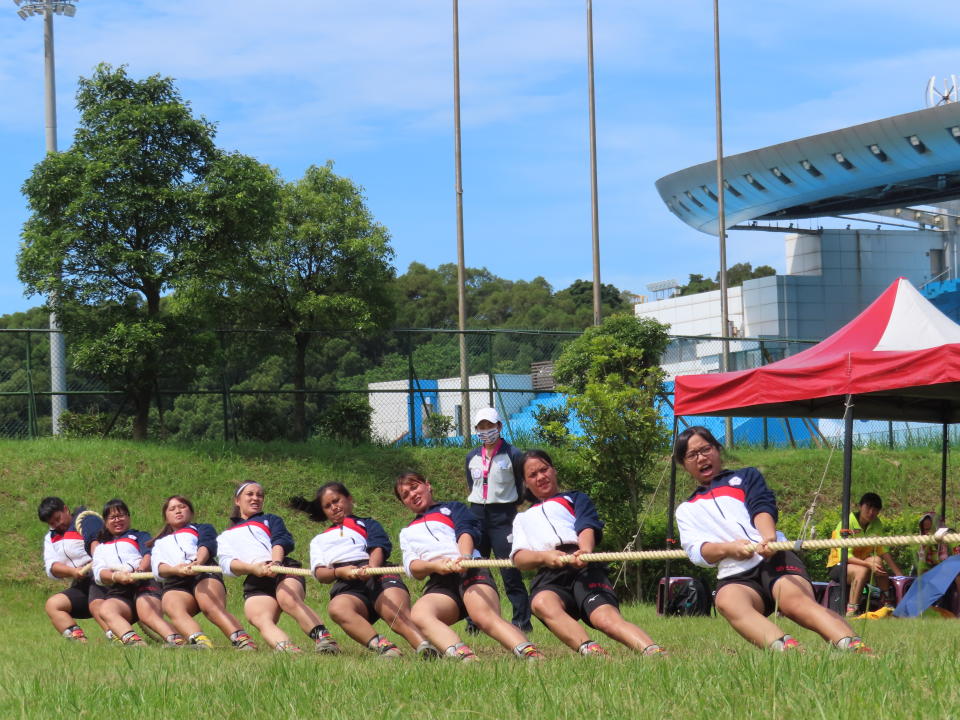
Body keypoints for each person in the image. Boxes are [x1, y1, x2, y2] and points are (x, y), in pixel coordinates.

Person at [674, 426, 872, 653]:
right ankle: (791, 652)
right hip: (734, 573)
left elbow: (762, 506)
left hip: (773, 556)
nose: (701, 458)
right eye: (692, 455)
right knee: (726, 600)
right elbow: (697, 550)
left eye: (705, 449)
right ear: (684, 464)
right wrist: (729, 549)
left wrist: (768, 538)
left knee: (792, 601)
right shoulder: (686, 510)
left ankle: (855, 647)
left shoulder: (746, 476)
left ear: (717, 450)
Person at [510, 450, 665, 657]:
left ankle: (655, 653)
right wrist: (545, 557)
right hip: (549, 574)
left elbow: (586, 526)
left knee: (605, 619)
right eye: (533, 475)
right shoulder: (522, 518)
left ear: (554, 470)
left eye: (544, 469)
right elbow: (520, 557)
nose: (541, 477)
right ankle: (594, 653)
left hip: (585, 567)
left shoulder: (575, 498)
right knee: (540, 602)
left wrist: (585, 550)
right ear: (525, 483)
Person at [395, 471, 543, 662]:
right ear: (404, 503)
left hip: (470, 568)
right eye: (405, 495)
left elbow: (467, 531)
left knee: (482, 616)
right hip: (440, 582)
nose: (412, 495)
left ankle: (532, 654)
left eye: (414, 487)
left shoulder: (453, 508)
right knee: (420, 614)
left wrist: (463, 558)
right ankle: (465, 657)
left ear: (427, 485)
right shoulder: (406, 532)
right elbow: (412, 566)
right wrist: (435, 566)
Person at [297, 482, 437, 658]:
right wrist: (338, 573)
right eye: (327, 506)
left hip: (378, 574)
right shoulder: (319, 540)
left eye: (336, 500)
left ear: (349, 499)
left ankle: (425, 647)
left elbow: (379, 545)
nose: (334, 507)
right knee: (337, 608)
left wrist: (371, 568)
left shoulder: (367, 523)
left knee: (393, 611)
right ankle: (385, 648)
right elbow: (319, 573)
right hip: (347, 584)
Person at [216, 481, 339, 654]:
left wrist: (276, 563)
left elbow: (281, 540)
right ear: (237, 500)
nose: (255, 498)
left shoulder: (270, 519)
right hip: (255, 577)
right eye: (250, 494)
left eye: (260, 495)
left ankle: (325, 641)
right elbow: (227, 563)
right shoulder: (225, 537)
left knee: (287, 598)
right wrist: (253, 569)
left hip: (283, 568)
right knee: (257, 616)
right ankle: (288, 650)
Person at [149, 495, 256, 650]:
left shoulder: (203, 528)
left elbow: (207, 544)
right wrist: (175, 569)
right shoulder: (159, 543)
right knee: (171, 606)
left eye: (182, 507)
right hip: (176, 579)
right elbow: (158, 567)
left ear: (191, 513)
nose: (178, 511)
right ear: (166, 517)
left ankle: (243, 641)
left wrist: (198, 562)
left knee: (209, 604)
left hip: (203, 571)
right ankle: (201, 643)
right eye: (172, 509)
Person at [464, 407, 532, 632]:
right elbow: (471, 483)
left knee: (509, 569)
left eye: (490, 426)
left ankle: (522, 623)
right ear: (476, 430)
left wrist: (514, 503)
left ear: (499, 427)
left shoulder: (513, 454)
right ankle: (474, 622)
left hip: (504, 516)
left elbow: (522, 484)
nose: (486, 431)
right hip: (477, 514)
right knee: (475, 569)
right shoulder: (472, 456)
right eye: (481, 427)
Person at [91, 498, 183, 647]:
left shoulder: (139, 536)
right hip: (119, 587)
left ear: (128, 517)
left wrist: (139, 571)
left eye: (121, 515)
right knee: (106, 609)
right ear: (106, 522)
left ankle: (177, 641)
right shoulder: (101, 548)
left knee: (146, 612)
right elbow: (99, 571)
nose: (117, 520)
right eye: (112, 517)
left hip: (143, 580)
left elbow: (148, 554)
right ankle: (136, 644)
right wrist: (116, 576)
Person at [38, 496, 108, 642]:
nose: (57, 524)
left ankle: (120, 637)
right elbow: (52, 567)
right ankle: (81, 641)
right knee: (53, 605)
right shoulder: (50, 538)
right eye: (52, 523)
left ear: (65, 509)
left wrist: (93, 566)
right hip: (80, 583)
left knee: (97, 605)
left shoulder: (86, 520)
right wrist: (73, 572)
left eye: (58, 518)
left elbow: (98, 543)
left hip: (101, 577)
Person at [826, 492, 903, 616]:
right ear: (860, 506)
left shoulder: (876, 523)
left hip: (861, 563)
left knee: (877, 560)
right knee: (862, 570)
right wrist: (868, 565)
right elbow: (845, 556)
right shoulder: (847, 523)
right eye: (868, 507)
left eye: (876, 509)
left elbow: (882, 550)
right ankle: (852, 610)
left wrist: (899, 574)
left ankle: (887, 600)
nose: (871, 512)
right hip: (838, 565)